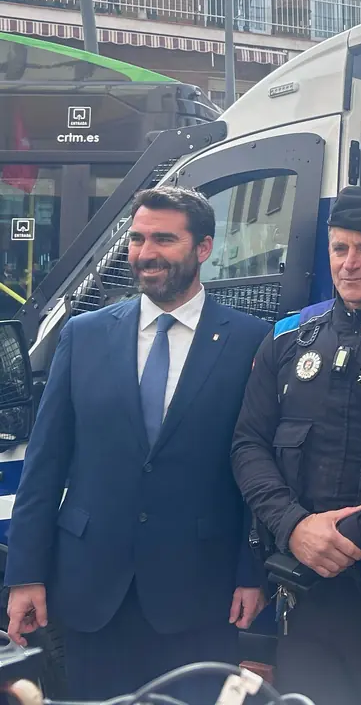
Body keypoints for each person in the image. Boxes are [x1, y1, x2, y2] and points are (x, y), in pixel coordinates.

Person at [5, 187, 269, 700]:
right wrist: (25, 575)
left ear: (204, 247)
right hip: (91, 592)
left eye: (164, 239)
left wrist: (250, 572)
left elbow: (254, 467)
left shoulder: (250, 340)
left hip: (199, 592)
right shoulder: (84, 335)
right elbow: (45, 463)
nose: (146, 253)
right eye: (137, 239)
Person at [231, 185, 361, 704]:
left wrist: (349, 536)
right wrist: (293, 526)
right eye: (339, 248)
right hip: (307, 592)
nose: (349, 263)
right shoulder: (289, 338)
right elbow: (248, 445)